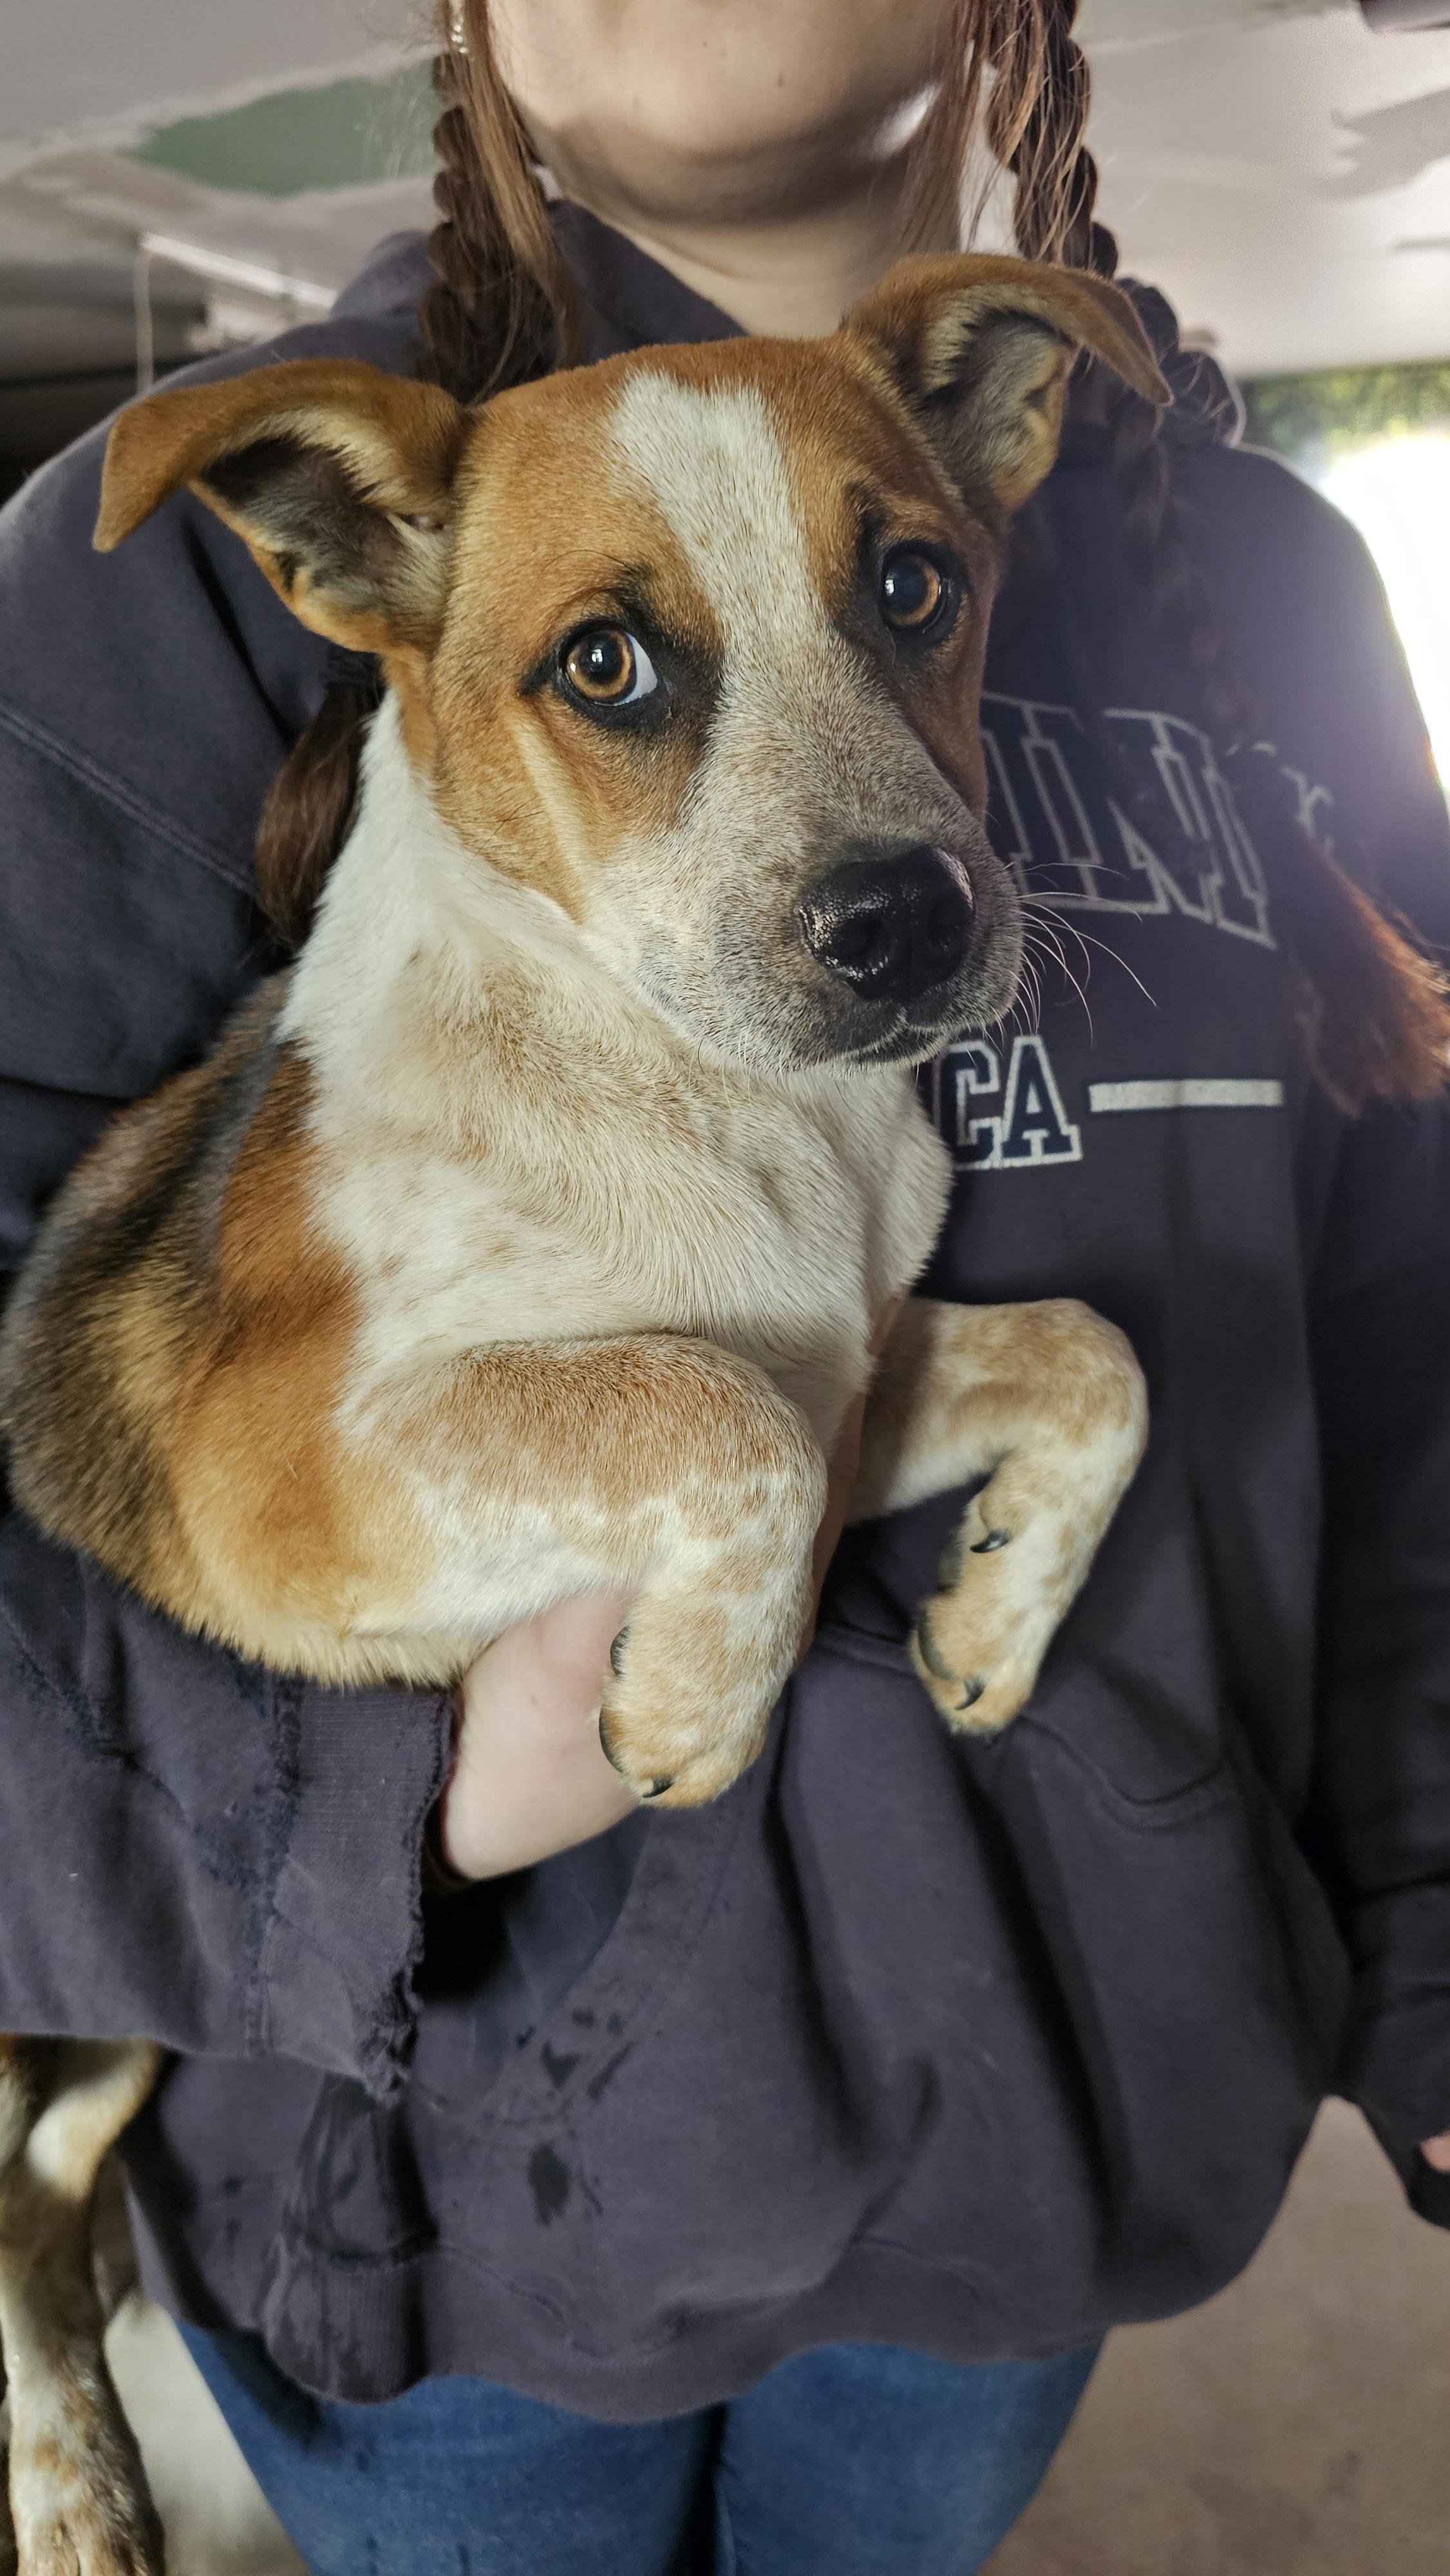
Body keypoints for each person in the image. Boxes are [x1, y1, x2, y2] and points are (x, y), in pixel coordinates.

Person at [1, 2, 1448, 2569]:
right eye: (612, 671)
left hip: (1050, 2154)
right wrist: (385, 1796)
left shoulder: (1269, 586)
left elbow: (1404, 1339)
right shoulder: (160, 596)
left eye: (906, 597)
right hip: (438, 2213)